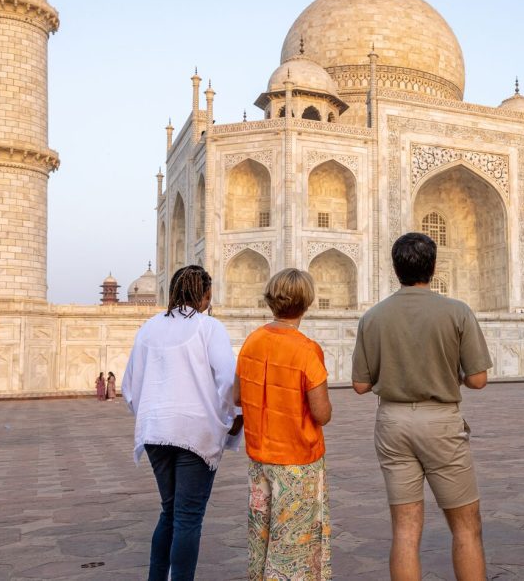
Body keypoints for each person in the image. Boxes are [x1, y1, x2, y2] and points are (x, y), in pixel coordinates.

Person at [351, 233, 492, 581]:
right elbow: (477, 379)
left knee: (405, 529)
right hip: (441, 422)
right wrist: (448, 372)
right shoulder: (456, 312)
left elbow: (360, 386)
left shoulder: (373, 317)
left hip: (393, 422)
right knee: (465, 526)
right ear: (433, 266)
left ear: (395, 268)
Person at [122, 265, 237, 581]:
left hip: (156, 432)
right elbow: (228, 378)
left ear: (172, 292)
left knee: (170, 512)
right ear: (205, 296)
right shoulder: (208, 327)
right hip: (195, 433)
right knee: (188, 517)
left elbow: (130, 388)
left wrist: (152, 416)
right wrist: (227, 417)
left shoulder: (149, 327)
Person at [236, 268, 333, 580]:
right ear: (306, 303)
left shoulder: (252, 342)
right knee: (293, 545)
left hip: (260, 458)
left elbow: (237, 397)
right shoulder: (306, 350)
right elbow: (321, 413)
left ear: (270, 300)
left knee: (261, 537)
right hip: (297, 462)